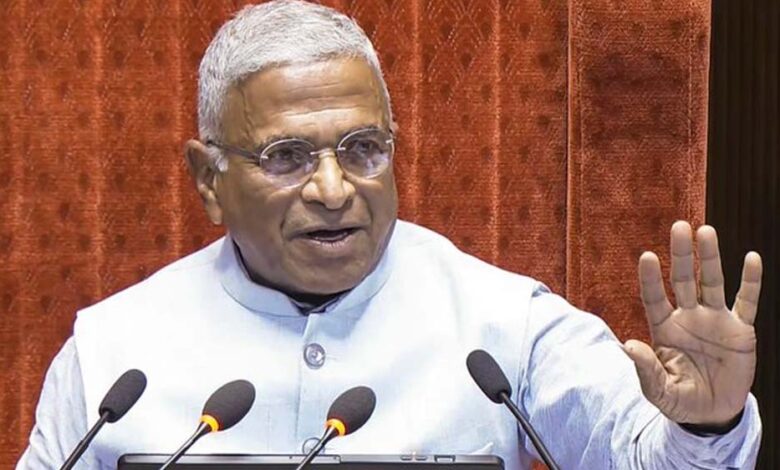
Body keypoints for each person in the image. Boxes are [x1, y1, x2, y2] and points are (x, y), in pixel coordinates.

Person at [18, 1, 763, 469]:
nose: (334, 190)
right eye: (287, 157)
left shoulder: (505, 329)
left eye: (363, 149)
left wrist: (706, 427)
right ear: (209, 179)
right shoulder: (113, 356)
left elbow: (638, 456)